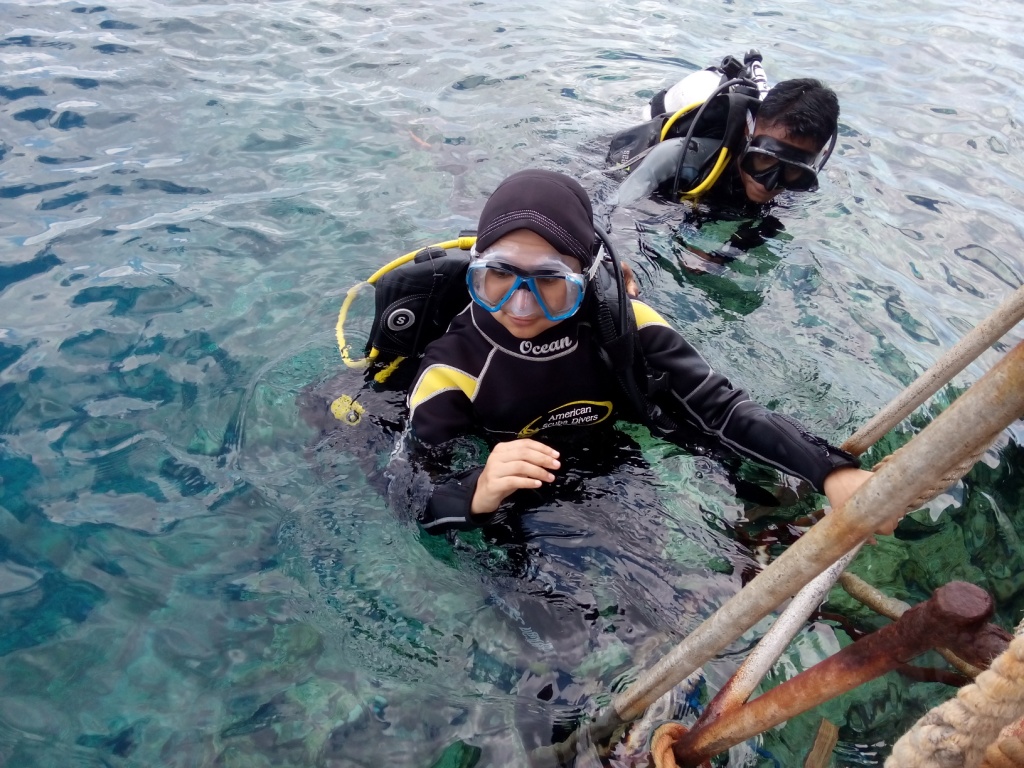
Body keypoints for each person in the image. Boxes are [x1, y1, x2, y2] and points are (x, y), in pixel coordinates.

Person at [406, 168, 873, 534]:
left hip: (612, 457)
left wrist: (828, 470)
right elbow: (412, 490)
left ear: (586, 276)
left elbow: (723, 410)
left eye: (550, 281)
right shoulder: (453, 367)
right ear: (477, 273)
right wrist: (477, 490)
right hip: (509, 484)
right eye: (500, 276)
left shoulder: (625, 326)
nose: (521, 305)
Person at [607, 53, 840, 210]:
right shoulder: (684, 154)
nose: (768, 185)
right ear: (749, 133)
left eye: (792, 171)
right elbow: (614, 212)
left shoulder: (805, 178)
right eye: (763, 159)